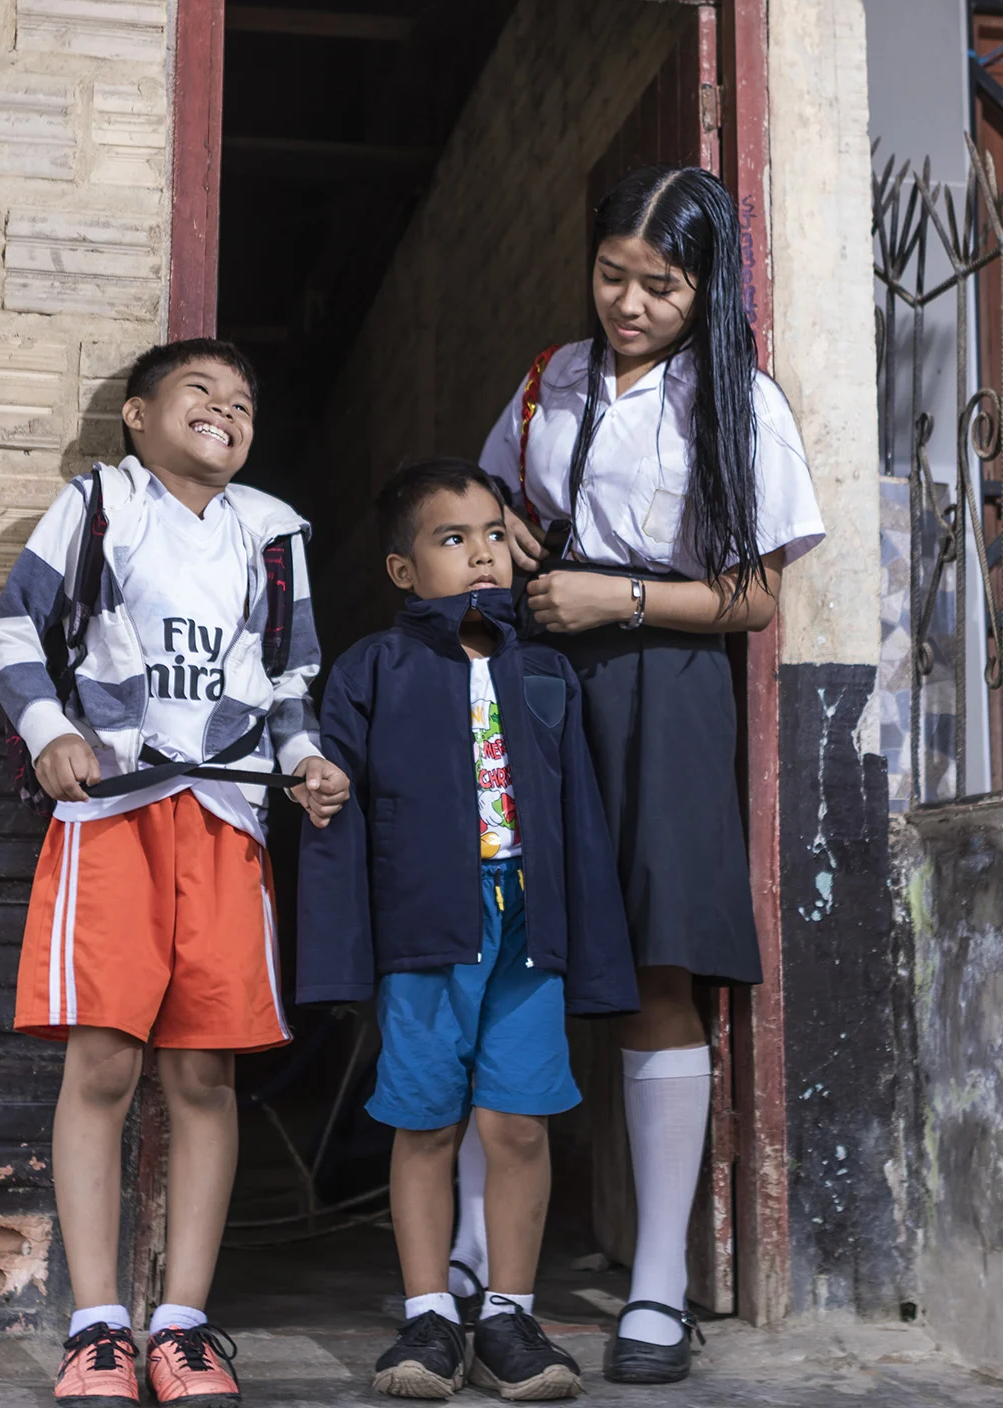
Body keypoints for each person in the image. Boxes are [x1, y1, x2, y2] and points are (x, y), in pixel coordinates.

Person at [473, 165, 826, 1385]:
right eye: (612, 275)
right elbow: (491, 504)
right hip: (543, 673)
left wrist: (613, 596)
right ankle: (477, 1263)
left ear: (706, 287)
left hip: (667, 683)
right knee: (509, 943)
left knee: (658, 965)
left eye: (660, 286)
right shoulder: (550, 380)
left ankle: (659, 1289)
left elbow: (756, 597)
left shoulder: (739, 402)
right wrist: (510, 534)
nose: (628, 304)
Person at [0, 338, 353, 1408]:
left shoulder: (271, 532)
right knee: (103, 1064)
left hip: (227, 817)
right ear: (139, 417)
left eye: (243, 403)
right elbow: (12, 631)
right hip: (115, 812)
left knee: (204, 1075)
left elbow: (289, 682)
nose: (226, 410)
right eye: (201, 391)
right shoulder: (102, 505)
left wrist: (307, 761)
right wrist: (52, 731)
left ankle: (183, 1328)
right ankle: (98, 1327)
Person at [296, 458, 638, 1402]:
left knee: (517, 1123)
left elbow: (579, 817)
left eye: (493, 534)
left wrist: (590, 946)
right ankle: (430, 1317)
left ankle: (509, 1317)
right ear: (404, 571)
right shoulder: (374, 668)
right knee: (426, 1123)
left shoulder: (546, 671)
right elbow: (337, 799)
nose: (483, 552)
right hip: (424, 928)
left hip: (528, 927)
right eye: (453, 539)